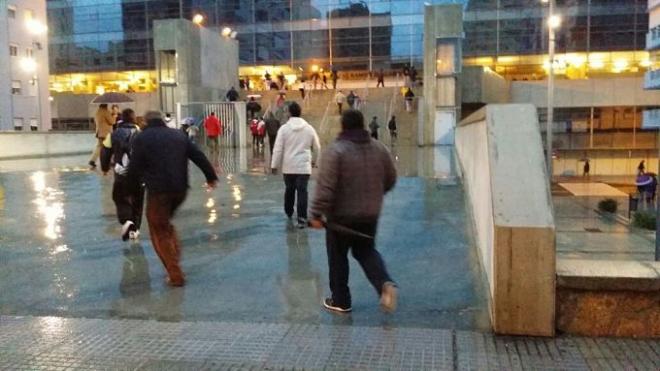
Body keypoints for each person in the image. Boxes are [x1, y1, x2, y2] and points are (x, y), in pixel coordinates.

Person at [309, 109, 398, 314]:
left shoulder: (336, 150)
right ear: (363, 124)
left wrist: (315, 214)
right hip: (370, 215)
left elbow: (326, 187)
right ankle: (384, 284)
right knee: (366, 251)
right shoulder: (379, 149)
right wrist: (375, 196)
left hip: (340, 217)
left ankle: (341, 300)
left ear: (343, 126)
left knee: (338, 256)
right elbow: (391, 178)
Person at [128, 111, 218, 287]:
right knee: (164, 224)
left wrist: (131, 191)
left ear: (146, 121)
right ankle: (174, 254)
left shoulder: (142, 138)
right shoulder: (178, 135)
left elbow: (134, 167)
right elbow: (198, 155)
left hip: (158, 191)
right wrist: (210, 176)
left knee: (157, 229)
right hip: (180, 189)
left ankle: (175, 274)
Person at [271, 102, 321, 228]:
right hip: (304, 167)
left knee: (290, 189)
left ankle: (289, 211)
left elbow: (278, 148)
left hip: (289, 166)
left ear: (289, 113)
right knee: (302, 191)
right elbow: (317, 147)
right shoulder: (309, 128)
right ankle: (302, 218)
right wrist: (314, 161)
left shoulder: (284, 129)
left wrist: (274, 165)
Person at [100, 108, 144, 241]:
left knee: (120, 197)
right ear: (134, 118)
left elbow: (105, 152)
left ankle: (126, 220)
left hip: (121, 174)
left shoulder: (113, 134)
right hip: (139, 174)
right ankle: (134, 230)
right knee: (138, 202)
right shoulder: (141, 133)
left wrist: (105, 168)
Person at [89, 104, 115, 169]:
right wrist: (114, 116)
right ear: (105, 106)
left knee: (99, 147)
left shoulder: (97, 112)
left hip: (99, 132)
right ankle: (110, 162)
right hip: (106, 133)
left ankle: (92, 160)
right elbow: (112, 122)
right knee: (109, 147)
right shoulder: (105, 112)